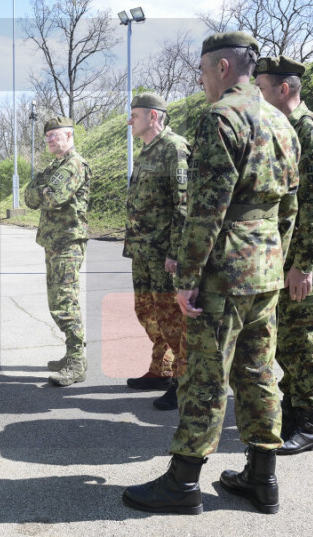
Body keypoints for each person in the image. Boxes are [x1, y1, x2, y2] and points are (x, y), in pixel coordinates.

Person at [123, 31, 299, 516]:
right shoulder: (281, 121)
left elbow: (207, 208)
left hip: (224, 271)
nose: (201, 82)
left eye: (202, 72)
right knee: (258, 372)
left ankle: (183, 483)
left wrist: (188, 277)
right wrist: (276, 258)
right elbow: (290, 205)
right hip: (265, 266)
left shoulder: (222, 117)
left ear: (222, 68)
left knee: (205, 377)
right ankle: (262, 478)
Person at [255, 55, 313, 454]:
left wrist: (303, 265)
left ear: (283, 89)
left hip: (304, 256)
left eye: (262, 88)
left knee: (302, 337)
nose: (257, 96)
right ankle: (293, 407)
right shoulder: (282, 127)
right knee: (286, 337)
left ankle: (309, 423)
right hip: (283, 253)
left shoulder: (312, 130)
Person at [123, 92, 190, 411]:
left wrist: (175, 252)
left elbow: (183, 205)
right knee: (145, 311)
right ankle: (161, 368)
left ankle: (183, 380)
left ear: (153, 116)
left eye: (134, 115)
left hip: (163, 252)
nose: (129, 121)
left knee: (171, 317)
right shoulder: (147, 149)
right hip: (142, 250)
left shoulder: (174, 148)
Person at [25, 116, 92, 387]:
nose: (50, 139)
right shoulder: (54, 167)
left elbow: (53, 198)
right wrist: (44, 188)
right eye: (47, 136)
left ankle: (76, 362)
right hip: (54, 242)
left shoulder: (74, 164)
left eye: (55, 135)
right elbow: (29, 197)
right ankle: (71, 354)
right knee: (56, 301)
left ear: (69, 136)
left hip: (67, 242)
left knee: (65, 301)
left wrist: (43, 189)